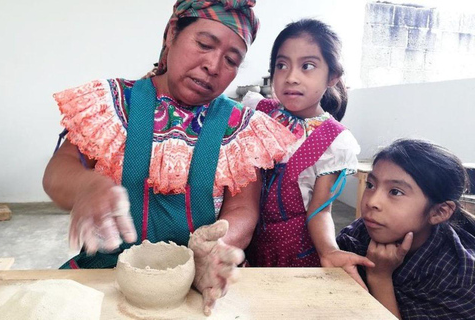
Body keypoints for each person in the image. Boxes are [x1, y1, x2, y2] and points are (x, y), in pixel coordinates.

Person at [42, 0, 296, 315]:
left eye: (231, 60)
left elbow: (243, 209)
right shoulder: (112, 104)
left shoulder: (240, 129)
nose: (214, 66)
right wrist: (86, 186)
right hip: (108, 276)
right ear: (172, 33)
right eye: (204, 44)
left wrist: (217, 249)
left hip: (194, 279)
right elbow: (58, 172)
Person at [244, 18, 373, 287]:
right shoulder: (260, 112)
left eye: (308, 66)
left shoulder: (334, 142)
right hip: (250, 242)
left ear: (333, 76)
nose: (291, 76)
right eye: (282, 65)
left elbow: (321, 211)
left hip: (297, 253)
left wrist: (328, 251)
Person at [337, 139, 475, 319]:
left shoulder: (461, 277)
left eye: (395, 192)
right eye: (371, 185)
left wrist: (379, 278)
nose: (372, 202)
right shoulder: (358, 233)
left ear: (439, 212)